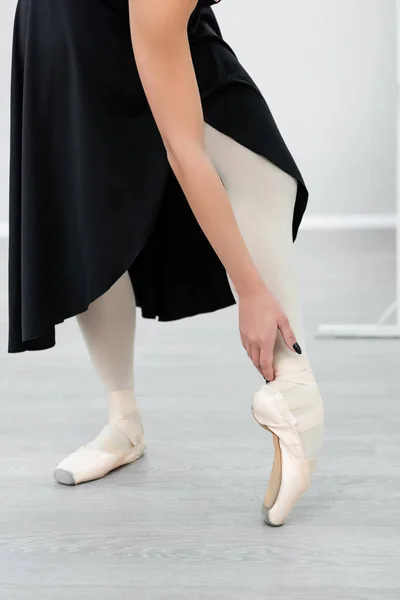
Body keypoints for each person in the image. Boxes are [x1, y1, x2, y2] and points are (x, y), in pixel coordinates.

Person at [8, 0, 324, 526]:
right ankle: (123, 421)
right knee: (94, 218)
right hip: (73, 37)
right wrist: (249, 288)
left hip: (141, 22)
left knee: (266, 174)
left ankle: (295, 393)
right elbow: (184, 149)